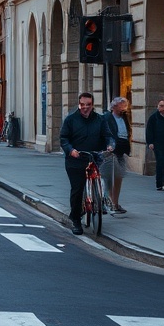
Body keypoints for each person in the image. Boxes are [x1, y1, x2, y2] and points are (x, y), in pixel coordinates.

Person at [59, 92, 115, 235]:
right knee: (77, 190)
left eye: (88, 105)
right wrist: (71, 150)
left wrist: (110, 145)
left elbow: (108, 136)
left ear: (92, 105)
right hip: (75, 160)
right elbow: (63, 139)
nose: (85, 107)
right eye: (82, 105)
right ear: (79, 104)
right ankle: (76, 220)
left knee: (101, 180)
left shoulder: (100, 120)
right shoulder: (71, 120)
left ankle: (99, 200)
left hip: (94, 157)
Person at [100, 97, 131, 214]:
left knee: (118, 178)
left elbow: (127, 131)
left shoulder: (124, 117)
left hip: (122, 150)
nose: (124, 108)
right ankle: (106, 202)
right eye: (121, 106)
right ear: (114, 107)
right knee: (109, 178)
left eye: (125, 105)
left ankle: (115, 203)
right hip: (110, 151)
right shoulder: (106, 118)